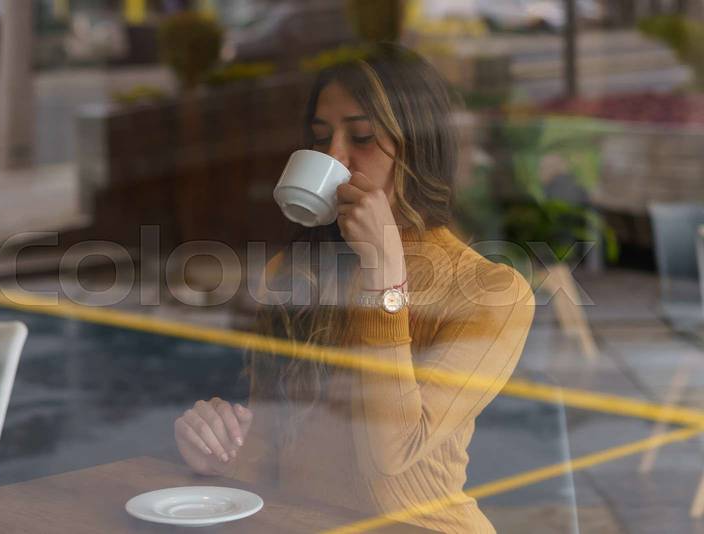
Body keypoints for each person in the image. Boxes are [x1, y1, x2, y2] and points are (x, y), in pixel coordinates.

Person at [173, 42, 535, 533]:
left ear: (417, 149)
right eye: (321, 140)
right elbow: (270, 460)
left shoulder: (491, 292)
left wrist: (384, 278)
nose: (334, 157)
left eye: (362, 136)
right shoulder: (293, 272)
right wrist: (220, 455)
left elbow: (393, 452)